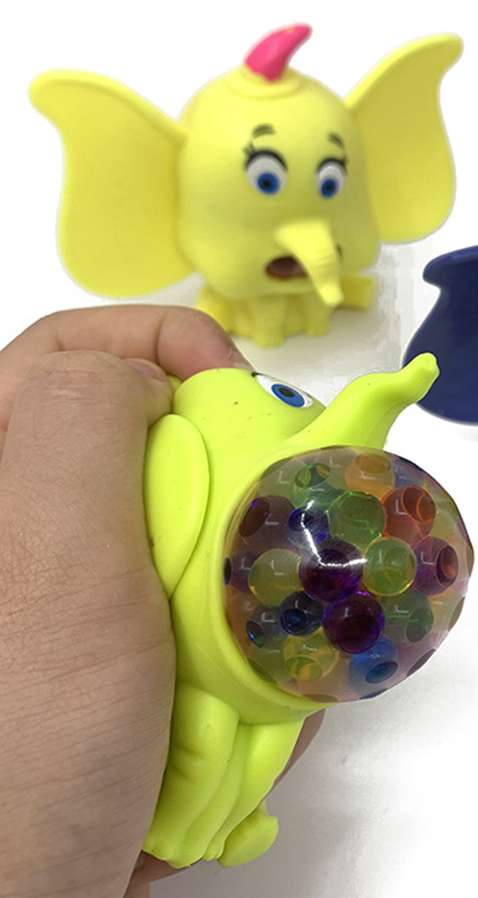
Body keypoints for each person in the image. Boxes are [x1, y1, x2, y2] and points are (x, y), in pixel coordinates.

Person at [0, 306, 322, 898]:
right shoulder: (175, 443)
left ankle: (225, 820)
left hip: (268, 674)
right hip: (243, 671)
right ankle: (221, 822)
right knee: (222, 736)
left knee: (245, 739)